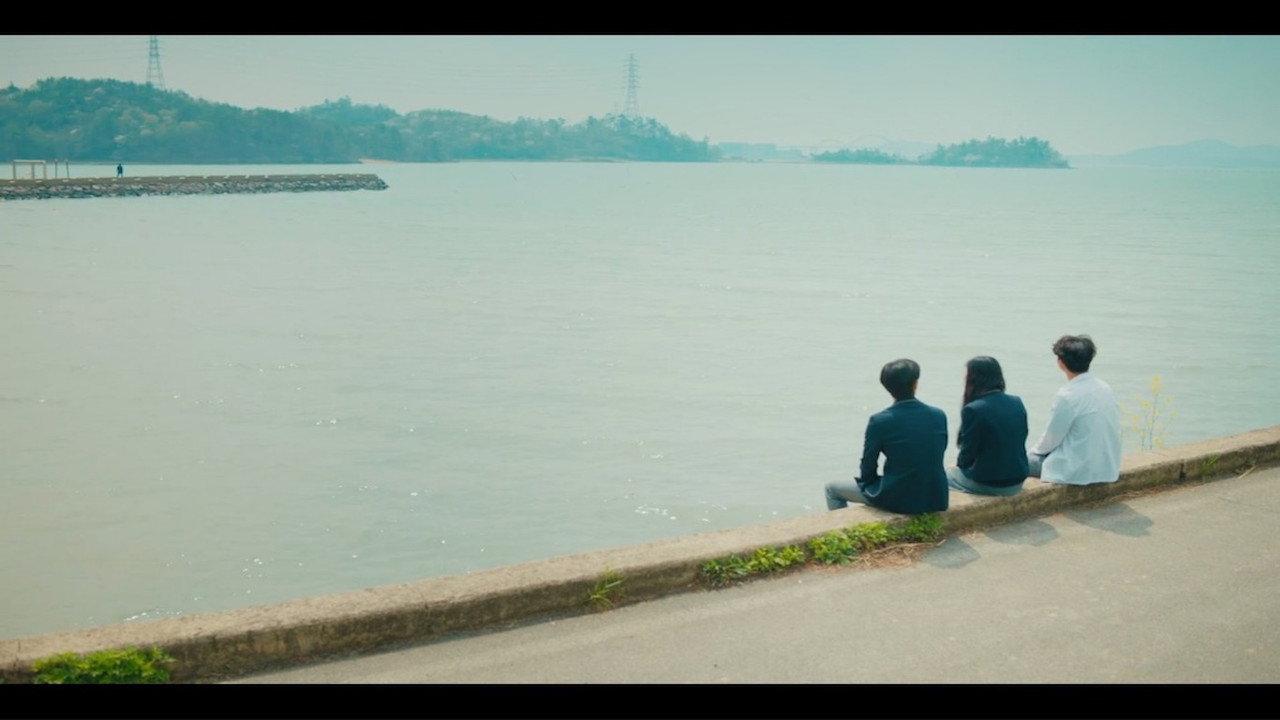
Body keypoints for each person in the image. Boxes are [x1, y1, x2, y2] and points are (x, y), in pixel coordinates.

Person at [825, 358, 949, 514]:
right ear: (915, 384)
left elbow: (869, 464)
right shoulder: (938, 415)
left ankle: (842, 527)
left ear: (887, 388)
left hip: (901, 500)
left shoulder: (880, 421)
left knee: (831, 489)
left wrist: (870, 485)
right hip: (936, 496)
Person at [1027, 335, 1122, 485]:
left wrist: (1033, 452)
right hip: (1107, 468)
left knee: (1020, 460)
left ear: (1060, 363)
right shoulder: (1105, 388)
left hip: (1076, 470)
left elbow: (1051, 439)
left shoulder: (1067, 395)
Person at [946, 356, 1029, 496]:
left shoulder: (973, 409)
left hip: (991, 484)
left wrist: (959, 467)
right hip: (1018, 481)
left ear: (974, 379)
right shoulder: (1016, 402)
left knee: (945, 475)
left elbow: (967, 453)